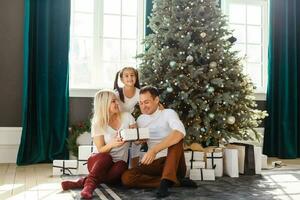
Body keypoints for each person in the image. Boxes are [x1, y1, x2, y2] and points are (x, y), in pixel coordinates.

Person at [121, 86, 197, 198]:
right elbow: (136, 146)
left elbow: (179, 132)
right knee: (126, 178)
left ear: (156, 100)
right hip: (155, 164)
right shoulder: (140, 120)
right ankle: (173, 182)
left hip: (174, 163)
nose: (143, 106)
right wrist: (138, 142)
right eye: (141, 103)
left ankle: (166, 181)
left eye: (146, 102)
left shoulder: (168, 113)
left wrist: (154, 150)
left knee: (176, 139)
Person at [61, 89, 136, 199]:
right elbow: (100, 149)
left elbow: (136, 137)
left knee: (122, 165)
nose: (117, 103)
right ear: (104, 104)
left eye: (116, 100)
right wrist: (112, 144)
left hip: (116, 165)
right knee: (106, 158)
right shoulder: (98, 122)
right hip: (98, 161)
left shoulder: (127, 117)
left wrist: (136, 136)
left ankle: (82, 183)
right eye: (113, 101)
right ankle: (89, 188)